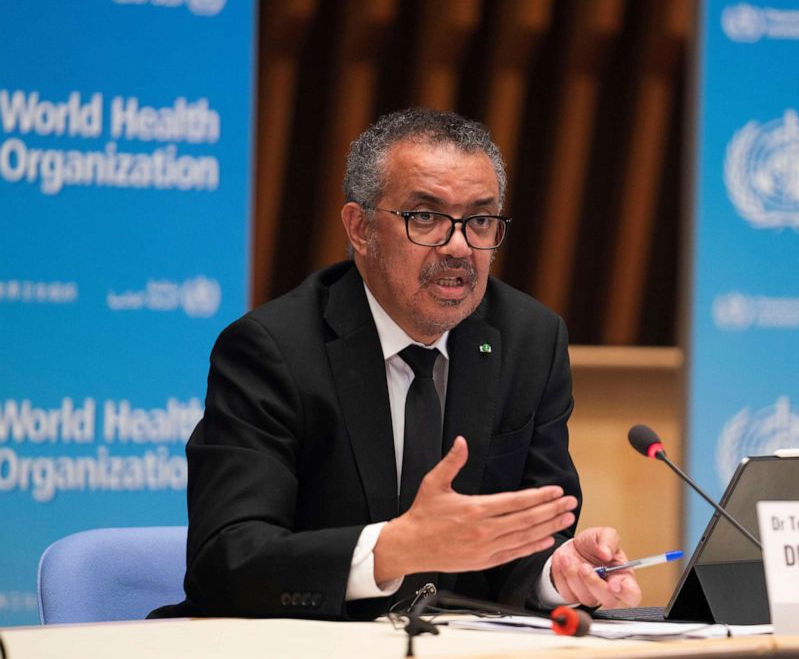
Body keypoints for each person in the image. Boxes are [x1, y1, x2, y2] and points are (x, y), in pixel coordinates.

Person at [152, 108, 641, 621]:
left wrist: (556, 573)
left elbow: (528, 537)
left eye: (479, 220)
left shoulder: (529, 340)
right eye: (425, 217)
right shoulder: (272, 351)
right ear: (360, 228)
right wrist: (392, 550)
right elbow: (227, 559)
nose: (458, 246)